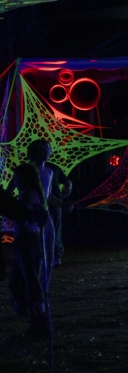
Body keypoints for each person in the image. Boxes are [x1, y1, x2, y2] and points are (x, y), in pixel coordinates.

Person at [6, 139, 56, 335]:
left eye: (47, 150)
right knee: (24, 274)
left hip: (34, 230)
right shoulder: (25, 174)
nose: (46, 153)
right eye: (42, 150)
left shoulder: (47, 174)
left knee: (33, 272)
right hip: (29, 230)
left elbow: (44, 199)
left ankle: (38, 315)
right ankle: (32, 309)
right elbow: (10, 196)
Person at [46, 161, 72, 268]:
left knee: (54, 230)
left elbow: (67, 183)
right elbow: (68, 183)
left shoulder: (52, 168)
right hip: (52, 204)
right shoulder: (52, 168)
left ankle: (55, 257)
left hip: (53, 205)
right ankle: (53, 257)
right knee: (54, 230)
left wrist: (66, 191)